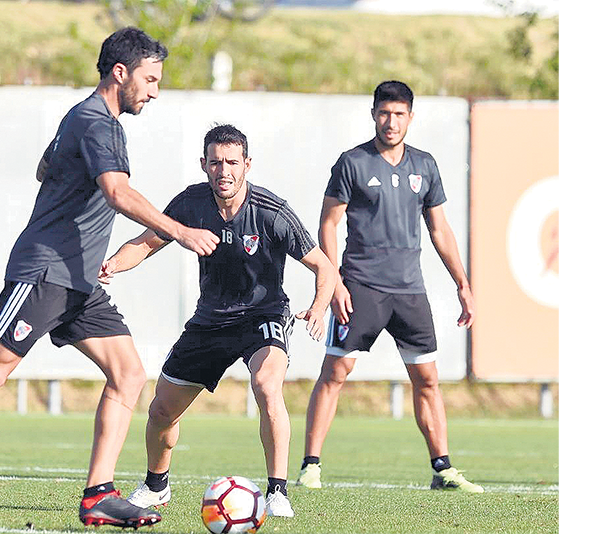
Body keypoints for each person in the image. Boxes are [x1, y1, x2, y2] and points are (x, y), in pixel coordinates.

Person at [0, 26, 220, 530]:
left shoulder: (80, 117)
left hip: (78, 280)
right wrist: (181, 231)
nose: (154, 91)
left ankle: (98, 494)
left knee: (129, 374)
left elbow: (45, 168)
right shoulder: (99, 123)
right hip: (44, 272)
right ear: (120, 73)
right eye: (150, 80)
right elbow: (117, 192)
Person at [100, 124, 336, 517]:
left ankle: (277, 492)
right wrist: (112, 264)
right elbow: (145, 243)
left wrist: (318, 305)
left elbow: (323, 266)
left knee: (266, 385)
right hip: (210, 321)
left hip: (263, 315)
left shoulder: (272, 212)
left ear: (247, 164)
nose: (223, 171)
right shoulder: (191, 204)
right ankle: (156, 485)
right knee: (161, 412)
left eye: (231, 162)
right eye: (215, 162)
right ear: (203, 164)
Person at [296, 80, 482, 493]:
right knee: (335, 372)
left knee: (427, 379)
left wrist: (463, 284)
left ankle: (443, 468)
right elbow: (329, 223)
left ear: (410, 117)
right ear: (373, 114)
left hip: (409, 291)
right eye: (384, 113)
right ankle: (311, 466)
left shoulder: (425, 165)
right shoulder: (352, 162)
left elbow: (440, 229)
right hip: (360, 286)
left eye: (399, 114)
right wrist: (335, 283)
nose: (391, 122)